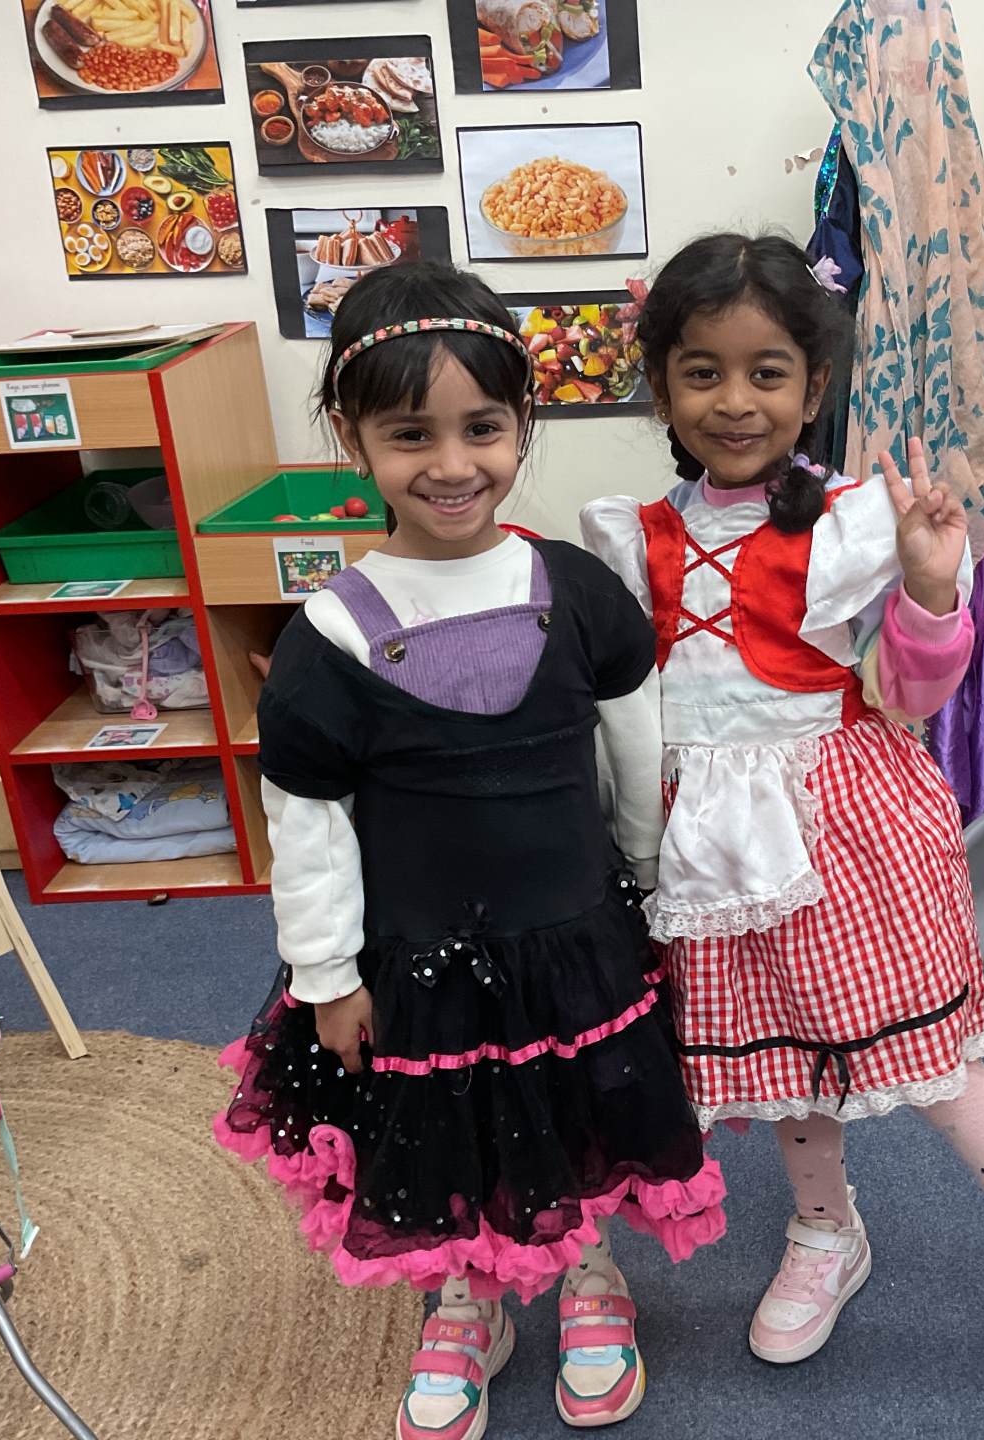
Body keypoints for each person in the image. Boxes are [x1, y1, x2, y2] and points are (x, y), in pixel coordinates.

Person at [580, 233, 984, 1417]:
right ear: (661, 385)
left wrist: (931, 588)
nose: (735, 400)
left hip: (848, 831)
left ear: (813, 387)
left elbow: (909, 695)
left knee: (944, 1077)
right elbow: (624, 706)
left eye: (767, 372)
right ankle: (825, 1228)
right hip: (705, 850)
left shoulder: (857, 521)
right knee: (785, 1057)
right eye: (702, 371)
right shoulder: (625, 535)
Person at [217, 261, 725, 1440]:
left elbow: (634, 752)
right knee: (446, 1131)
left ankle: (590, 1275)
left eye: (482, 428)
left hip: (579, 938)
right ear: (353, 435)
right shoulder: (327, 637)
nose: (452, 464)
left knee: (583, 1112)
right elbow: (308, 825)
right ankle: (465, 1295)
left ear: (520, 425)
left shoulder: (580, 591)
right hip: (417, 962)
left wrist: (655, 890)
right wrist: (325, 975)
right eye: (411, 434)